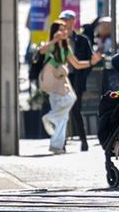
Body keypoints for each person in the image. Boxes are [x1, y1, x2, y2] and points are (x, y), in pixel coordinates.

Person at [36, 22, 87, 154]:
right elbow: (41, 51)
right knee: (68, 103)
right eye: (60, 30)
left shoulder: (65, 47)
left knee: (63, 117)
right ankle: (50, 118)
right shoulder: (52, 46)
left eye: (64, 30)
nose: (64, 32)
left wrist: (92, 62)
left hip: (61, 83)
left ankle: (56, 145)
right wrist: (54, 40)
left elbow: (76, 64)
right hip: (52, 83)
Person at [57, 10, 100, 151]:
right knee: (62, 110)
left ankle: (83, 140)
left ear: (72, 21)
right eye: (62, 20)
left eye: (67, 20)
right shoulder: (59, 39)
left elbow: (90, 61)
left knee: (76, 110)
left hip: (76, 78)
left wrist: (82, 76)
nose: (64, 23)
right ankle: (61, 142)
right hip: (63, 78)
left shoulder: (82, 40)